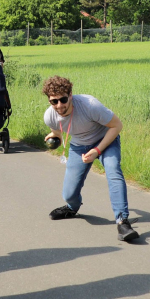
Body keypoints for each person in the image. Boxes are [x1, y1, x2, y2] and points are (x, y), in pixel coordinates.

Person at [42, 76, 139, 242]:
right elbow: (58, 131)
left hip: (105, 141)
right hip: (79, 146)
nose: (59, 105)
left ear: (70, 95)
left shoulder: (89, 105)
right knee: (69, 194)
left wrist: (97, 150)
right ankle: (72, 208)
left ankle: (122, 222)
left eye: (63, 100)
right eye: (54, 101)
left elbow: (117, 125)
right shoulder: (50, 116)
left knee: (113, 171)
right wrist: (54, 136)